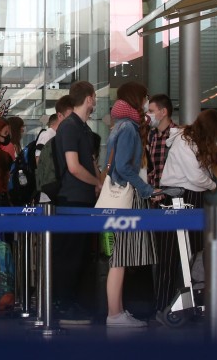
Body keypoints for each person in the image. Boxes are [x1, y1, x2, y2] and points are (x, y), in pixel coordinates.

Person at [155, 108, 217, 324]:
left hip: (182, 198)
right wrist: (213, 185)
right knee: (174, 257)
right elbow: (195, 176)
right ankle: (165, 306)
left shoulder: (188, 141)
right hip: (182, 198)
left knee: (188, 256)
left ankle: (186, 303)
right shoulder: (186, 143)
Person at [103, 82, 157, 328]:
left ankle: (117, 312)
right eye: (145, 97)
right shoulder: (128, 128)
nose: (147, 101)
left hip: (122, 197)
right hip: (128, 199)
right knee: (120, 259)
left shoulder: (121, 125)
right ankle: (114, 314)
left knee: (120, 259)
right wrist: (146, 189)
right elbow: (124, 167)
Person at [51, 83, 100, 323]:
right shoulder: (70, 127)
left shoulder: (83, 129)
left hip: (82, 199)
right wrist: (96, 183)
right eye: (94, 97)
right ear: (89, 99)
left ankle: (71, 302)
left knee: (78, 254)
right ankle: (63, 304)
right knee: (69, 255)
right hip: (72, 198)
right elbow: (73, 167)